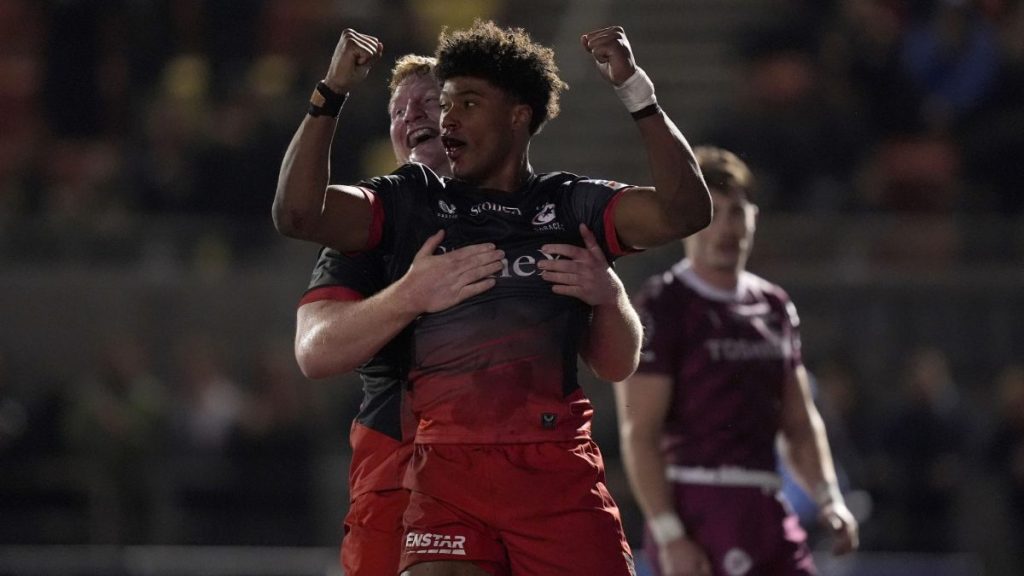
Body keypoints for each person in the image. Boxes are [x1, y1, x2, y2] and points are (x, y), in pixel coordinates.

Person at [274, 20, 711, 576]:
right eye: (403, 110)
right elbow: (298, 226)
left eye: (454, 103)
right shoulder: (405, 203)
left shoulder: (569, 204)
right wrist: (330, 93)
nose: (437, 118)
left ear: (518, 114)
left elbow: (624, 347)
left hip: (552, 463)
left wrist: (636, 92)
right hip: (426, 461)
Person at [614, 146, 858, 576]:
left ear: (754, 219)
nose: (726, 227)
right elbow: (640, 433)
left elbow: (800, 423)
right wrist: (671, 534)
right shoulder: (663, 305)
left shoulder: (774, 306)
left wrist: (828, 498)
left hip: (766, 506)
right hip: (700, 507)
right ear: (688, 224)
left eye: (736, 212)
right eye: (713, 214)